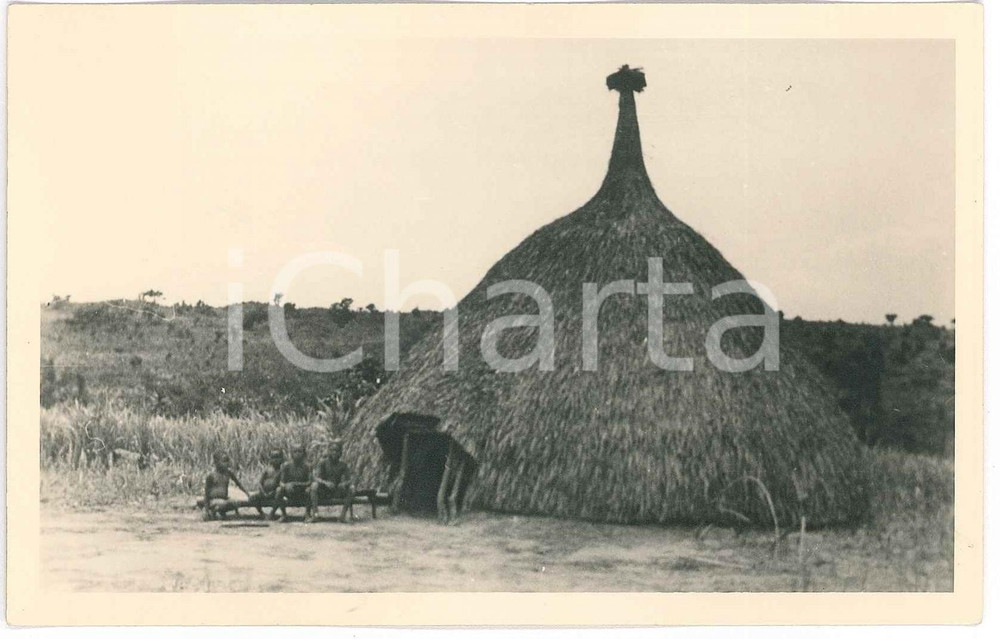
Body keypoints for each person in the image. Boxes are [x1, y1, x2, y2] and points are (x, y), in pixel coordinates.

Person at [307, 439, 355, 524]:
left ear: (340, 452)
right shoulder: (323, 463)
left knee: (351, 488)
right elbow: (316, 478)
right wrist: (325, 483)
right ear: (329, 451)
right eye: (332, 450)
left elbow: (351, 479)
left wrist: (344, 484)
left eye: (337, 450)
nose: (334, 453)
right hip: (324, 491)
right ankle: (315, 515)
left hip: (336, 490)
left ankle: (343, 516)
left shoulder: (343, 465)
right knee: (314, 486)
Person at [202, 451, 250, 521]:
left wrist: (247, 493)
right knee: (224, 504)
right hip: (213, 501)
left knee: (235, 503)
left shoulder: (228, 473)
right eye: (224, 461)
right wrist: (206, 510)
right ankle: (213, 511)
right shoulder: (211, 476)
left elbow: (238, 484)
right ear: (216, 462)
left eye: (227, 461)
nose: (227, 464)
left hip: (224, 499)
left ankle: (220, 511)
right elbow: (206, 494)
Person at [271, 444, 312, 522]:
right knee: (279, 490)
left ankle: (307, 514)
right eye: (295, 451)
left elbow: (310, 482)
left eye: (300, 451)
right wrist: (286, 486)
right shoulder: (286, 466)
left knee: (309, 490)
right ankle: (284, 515)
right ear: (291, 453)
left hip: (302, 491)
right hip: (290, 491)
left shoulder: (307, 466)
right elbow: (281, 482)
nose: (297, 454)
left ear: (303, 453)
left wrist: (296, 484)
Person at [248, 449, 284, 518]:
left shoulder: (282, 471)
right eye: (273, 458)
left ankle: (272, 512)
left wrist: (272, 492)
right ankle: (261, 512)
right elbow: (260, 483)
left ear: (282, 459)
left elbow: (281, 484)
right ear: (270, 459)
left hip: (274, 493)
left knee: (279, 495)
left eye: (277, 457)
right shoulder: (267, 470)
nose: (275, 460)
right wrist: (263, 492)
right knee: (252, 498)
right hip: (264, 492)